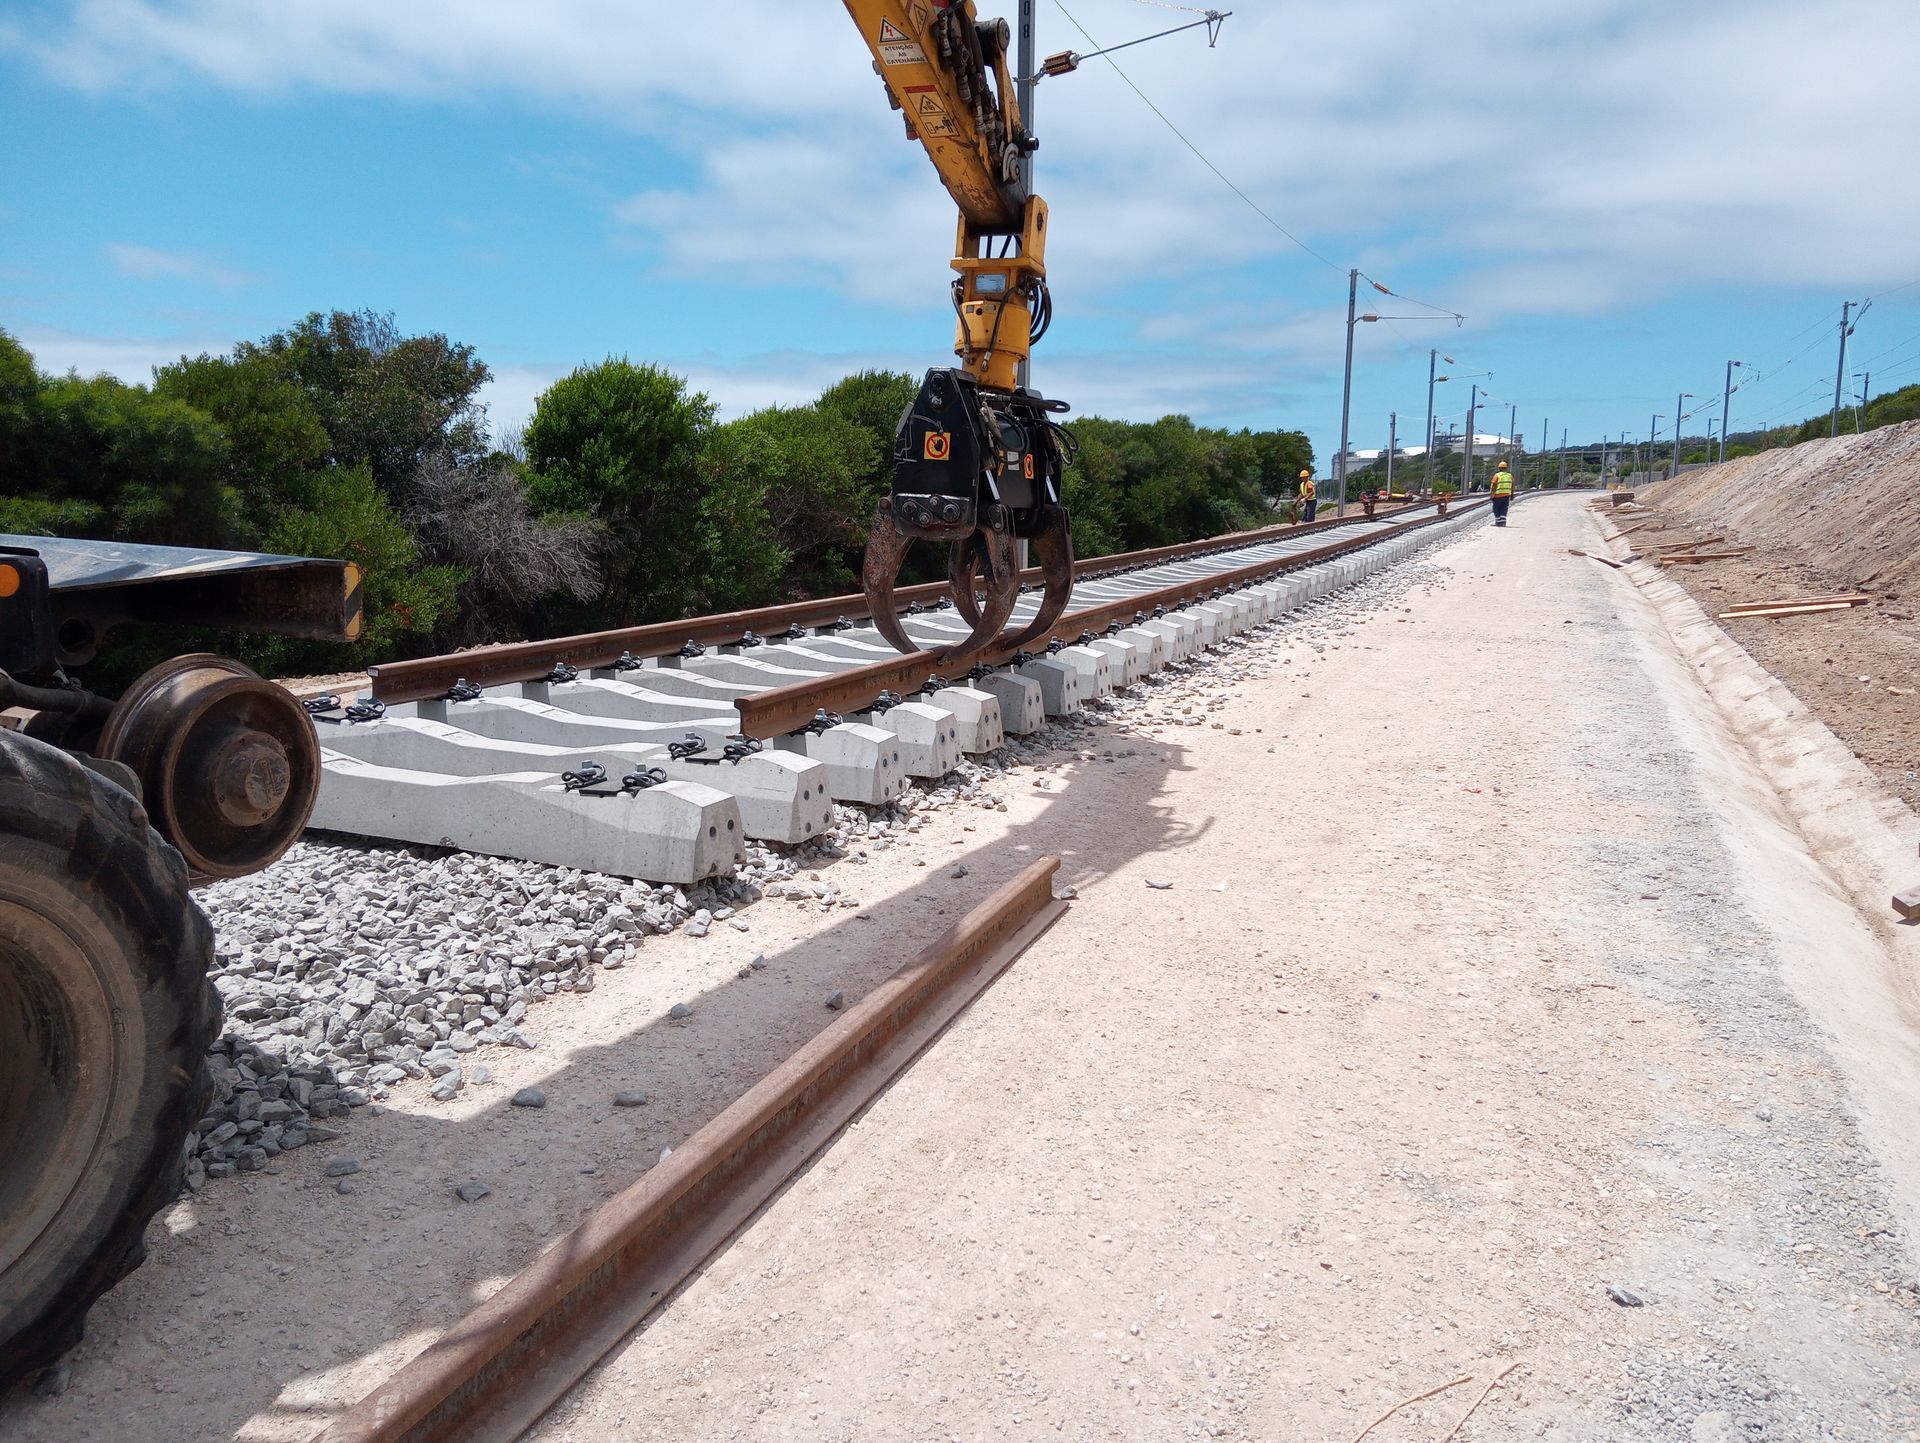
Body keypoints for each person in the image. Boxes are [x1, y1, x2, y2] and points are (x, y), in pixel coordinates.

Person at [1490, 457, 1514, 526]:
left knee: (1496, 509)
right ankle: (1503, 522)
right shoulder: (1510, 476)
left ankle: (1498, 522)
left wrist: (1492, 494)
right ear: (1506, 468)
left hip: (1497, 496)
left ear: (1499, 468)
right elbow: (1512, 485)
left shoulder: (1497, 475)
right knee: (1504, 508)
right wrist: (1512, 494)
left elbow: (1494, 485)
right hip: (1506, 495)